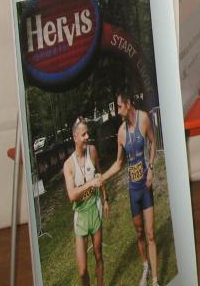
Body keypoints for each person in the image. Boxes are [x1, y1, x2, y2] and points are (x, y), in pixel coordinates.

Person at [100, 93, 159, 286]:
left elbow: (153, 141)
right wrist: (103, 178)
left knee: (151, 234)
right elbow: (118, 163)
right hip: (133, 191)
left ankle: (155, 281)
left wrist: (151, 168)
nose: (118, 111)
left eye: (119, 107)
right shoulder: (121, 132)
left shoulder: (144, 118)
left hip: (145, 186)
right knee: (140, 232)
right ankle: (145, 266)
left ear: (127, 104)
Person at [63, 117, 108, 286]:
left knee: (98, 256)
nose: (87, 136)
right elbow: (72, 196)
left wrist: (105, 198)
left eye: (87, 133)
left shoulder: (93, 151)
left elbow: (100, 174)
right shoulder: (68, 165)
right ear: (75, 137)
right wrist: (90, 184)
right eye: (83, 134)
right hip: (81, 216)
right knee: (82, 271)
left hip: (94, 209)